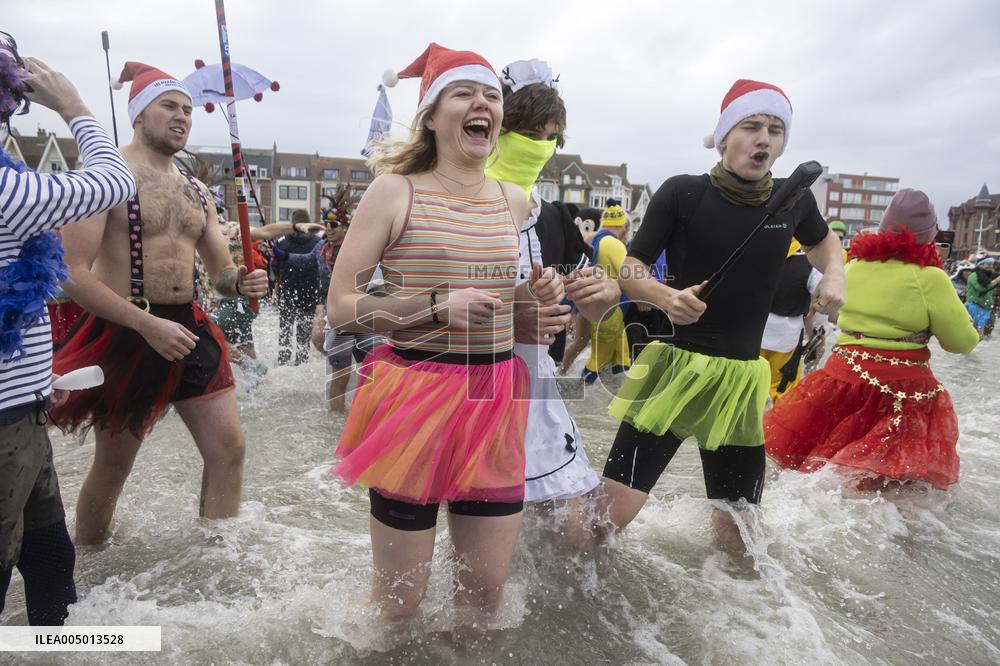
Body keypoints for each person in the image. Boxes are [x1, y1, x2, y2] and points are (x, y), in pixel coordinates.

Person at [327, 44, 562, 621]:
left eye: (490, 95)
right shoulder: (393, 190)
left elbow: (501, 302)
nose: (482, 103)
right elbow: (341, 307)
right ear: (431, 115)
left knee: (484, 600)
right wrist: (435, 306)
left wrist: (535, 304)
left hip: (496, 394)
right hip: (413, 395)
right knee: (399, 604)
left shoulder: (514, 199)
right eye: (464, 93)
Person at [599, 79, 846, 548]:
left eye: (775, 130)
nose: (764, 138)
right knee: (611, 515)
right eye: (751, 126)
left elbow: (823, 242)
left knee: (742, 538)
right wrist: (664, 297)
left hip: (738, 382)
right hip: (674, 369)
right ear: (725, 136)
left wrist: (835, 274)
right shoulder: (683, 193)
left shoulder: (794, 200)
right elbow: (631, 268)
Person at [50, 61, 268, 545]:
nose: (182, 116)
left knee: (229, 449)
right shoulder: (104, 177)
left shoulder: (196, 191)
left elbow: (220, 276)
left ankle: (217, 555)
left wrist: (243, 282)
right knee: (114, 465)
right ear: (137, 114)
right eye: (169, 106)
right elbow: (70, 273)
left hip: (189, 325)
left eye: (188, 110)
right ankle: (90, 557)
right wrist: (146, 326)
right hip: (124, 327)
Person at [0, 39, 136, 624]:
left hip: (20, 408)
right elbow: (113, 181)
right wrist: (75, 106)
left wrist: (34, 376)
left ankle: (56, 652)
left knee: (51, 558)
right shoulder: (9, 192)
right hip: (4, 427)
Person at [485, 58, 620, 546]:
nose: (538, 148)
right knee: (487, 534)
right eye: (527, 135)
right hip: (465, 381)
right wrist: (507, 321)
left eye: (549, 139)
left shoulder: (556, 219)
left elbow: (594, 300)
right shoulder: (451, 206)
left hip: (534, 386)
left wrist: (605, 293)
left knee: (572, 529)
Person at [765, 189, 979, 490]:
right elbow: (961, 343)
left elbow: (836, 316)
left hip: (840, 379)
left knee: (817, 472)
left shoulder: (850, 268)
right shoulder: (931, 277)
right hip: (904, 389)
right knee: (895, 487)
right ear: (930, 235)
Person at [759, 239, 825, 403]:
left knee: (748, 389)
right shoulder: (811, 265)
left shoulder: (755, 253)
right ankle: (774, 427)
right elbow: (818, 305)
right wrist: (817, 335)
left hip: (752, 333)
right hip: (786, 338)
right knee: (783, 392)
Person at [580, 202, 631, 384]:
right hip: (610, 308)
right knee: (599, 357)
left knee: (622, 357)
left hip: (597, 306)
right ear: (622, 224)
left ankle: (613, 401)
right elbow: (630, 275)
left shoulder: (595, 238)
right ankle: (576, 392)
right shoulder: (613, 244)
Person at [273, 209, 322, 365]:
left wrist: (276, 280)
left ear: (293, 223)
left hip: (287, 291)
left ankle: (283, 362)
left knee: (285, 330)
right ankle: (301, 363)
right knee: (303, 334)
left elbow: (274, 266)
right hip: (310, 293)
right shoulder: (317, 243)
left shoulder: (282, 242)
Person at [965, 257, 999, 338]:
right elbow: (981, 288)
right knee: (974, 334)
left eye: (991, 265)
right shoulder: (973, 275)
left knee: (984, 336)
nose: (990, 267)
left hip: (985, 309)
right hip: (974, 307)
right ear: (980, 265)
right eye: (987, 264)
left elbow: (992, 286)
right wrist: (996, 281)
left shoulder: (987, 277)